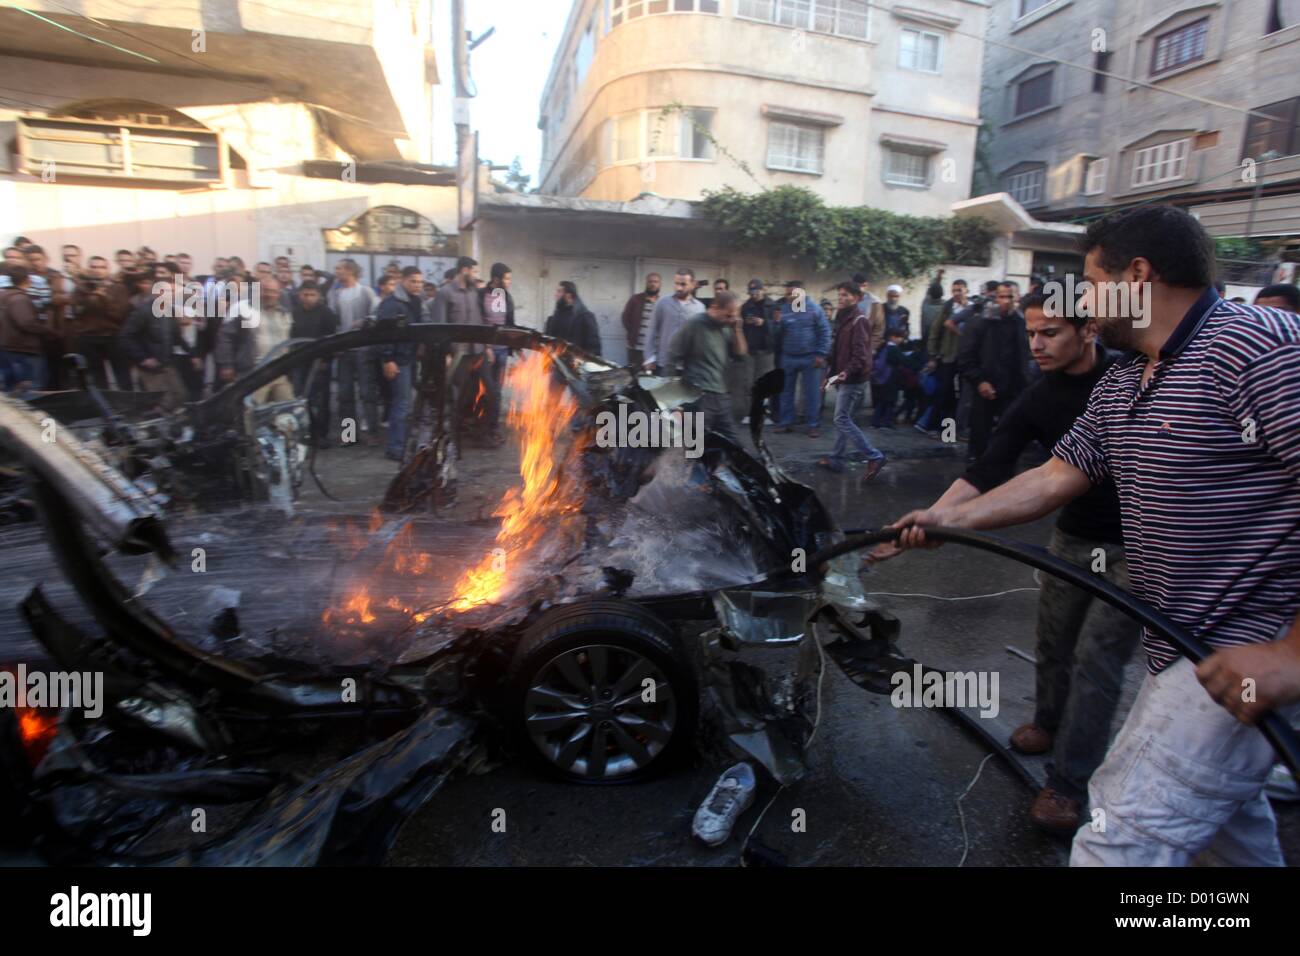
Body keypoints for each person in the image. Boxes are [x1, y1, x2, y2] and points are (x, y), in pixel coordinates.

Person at [890, 205, 1300, 866]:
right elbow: (1057, 475)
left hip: (1244, 647)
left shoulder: (1258, 347)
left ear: (1137, 274)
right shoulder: (1126, 379)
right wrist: (951, 520)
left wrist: (1291, 656)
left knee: (1120, 834)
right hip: (1190, 654)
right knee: (1230, 833)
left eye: (1090, 280)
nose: (1081, 299)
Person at [880, 291, 1139, 833]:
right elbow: (988, 467)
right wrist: (929, 517)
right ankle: (1047, 721)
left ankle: (1067, 785)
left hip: (1138, 548)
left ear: (1088, 330)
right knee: (1053, 640)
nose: (1036, 345)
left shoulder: (1131, 380)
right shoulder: (1037, 398)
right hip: (1074, 538)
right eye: (1030, 333)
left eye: (1050, 333)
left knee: (1098, 663)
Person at [819, 282, 886, 479]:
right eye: (839, 295)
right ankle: (837, 459)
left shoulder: (859, 321)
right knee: (844, 418)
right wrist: (829, 376)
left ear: (856, 298)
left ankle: (874, 456)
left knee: (841, 418)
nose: (841, 298)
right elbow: (838, 353)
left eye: (846, 295)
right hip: (844, 376)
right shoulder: (844, 320)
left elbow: (861, 356)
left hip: (853, 379)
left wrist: (846, 373)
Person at [666, 289, 746, 446]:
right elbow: (672, 357)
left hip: (721, 396)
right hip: (698, 397)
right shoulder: (694, 324)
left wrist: (737, 329)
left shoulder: (726, 327)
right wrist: (674, 403)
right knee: (693, 447)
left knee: (734, 446)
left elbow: (741, 354)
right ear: (715, 307)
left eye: (735, 315)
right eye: (728, 315)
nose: (731, 319)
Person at [958, 281, 1029, 459]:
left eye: (1010, 296)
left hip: (1013, 388)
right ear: (996, 298)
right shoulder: (981, 322)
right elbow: (966, 356)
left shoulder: (1022, 323)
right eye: (1002, 296)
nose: (1006, 301)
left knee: (1009, 435)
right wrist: (979, 381)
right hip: (985, 387)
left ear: (1017, 297)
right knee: (980, 435)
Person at [215, 274, 294, 404]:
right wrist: (226, 364)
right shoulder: (243, 308)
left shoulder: (284, 313)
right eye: (265, 290)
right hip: (254, 372)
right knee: (253, 412)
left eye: (273, 291)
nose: (269, 294)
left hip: (279, 371)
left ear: (278, 293)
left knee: (287, 409)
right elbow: (225, 337)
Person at [118, 264, 187, 410]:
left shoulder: (170, 311)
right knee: (162, 402)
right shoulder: (143, 312)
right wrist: (143, 358)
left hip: (166, 363)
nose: (171, 295)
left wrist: (193, 355)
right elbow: (126, 336)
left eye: (173, 291)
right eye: (167, 291)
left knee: (180, 395)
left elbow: (177, 337)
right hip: (150, 367)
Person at [375, 266, 426, 461]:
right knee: (401, 405)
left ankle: (402, 444)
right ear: (403, 281)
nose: (417, 285)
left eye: (420, 282)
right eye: (413, 281)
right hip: (398, 360)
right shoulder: (391, 304)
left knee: (406, 404)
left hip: (409, 358)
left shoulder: (415, 302)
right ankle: (396, 448)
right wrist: (388, 359)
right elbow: (384, 334)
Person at [330, 258, 381, 445]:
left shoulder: (365, 292)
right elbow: (332, 321)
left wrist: (365, 321)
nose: (336, 271)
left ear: (350, 271)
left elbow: (377, 313)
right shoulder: (335, 294)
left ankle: (372, 433)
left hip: (363, 350)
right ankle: (349, 435)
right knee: (345, 395)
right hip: (344, 352)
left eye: (339, 268)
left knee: (367, 393)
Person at [774, 281, 832, 437]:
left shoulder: (814, 309)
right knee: (785, 392)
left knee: (812, 393)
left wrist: (821, 354)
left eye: (791, 294)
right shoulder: (784, 309)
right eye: (787, 294)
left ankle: (813, 425)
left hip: (811, 357)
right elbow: (778, 334)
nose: (788, 297)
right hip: (788, 357)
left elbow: (825, 332)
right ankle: (786, 423)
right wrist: (777, 322)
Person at [69, 255, 133, 390]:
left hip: (112, 337)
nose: (97, 270)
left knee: (123, 376)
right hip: (89, 339)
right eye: (94, 267)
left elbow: (121, 315)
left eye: (101, 267)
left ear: (108, 269)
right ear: (88, 269)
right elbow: (76, 312)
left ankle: (129, 407)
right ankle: (105, 407)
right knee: (98, 379)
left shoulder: (118, 288)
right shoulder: (80, 289)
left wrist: (104, 298)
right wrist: (89, 295)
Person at [918, 278, 970, 435]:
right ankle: (936, 426)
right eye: (954, 290)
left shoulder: (972, 308)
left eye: (959, 290)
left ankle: (954, 429)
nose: (956, 293)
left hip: (966, 358)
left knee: (962, 395)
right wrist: (933, 355)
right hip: (948, 356)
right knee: (944, 392)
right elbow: (935, 331)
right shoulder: (947, 307)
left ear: (966, 290)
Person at [290, 281, 339, 446]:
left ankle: (322, 434)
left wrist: (326, 359)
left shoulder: (326, 313)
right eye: (305, 294)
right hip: (300, 361)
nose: (308, 298)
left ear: (318, 296)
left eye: (312, 295)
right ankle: (307, 432)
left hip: (320, 362)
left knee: (322, 400)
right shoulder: (294, 313)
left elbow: (332, 339)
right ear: (299, 295)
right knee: (302, 398)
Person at [0, 265, 59, 395]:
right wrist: (49, 331)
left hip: (8, 347)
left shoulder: (4, 296)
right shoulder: (19, 299)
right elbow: (26, 323)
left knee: (13, 387)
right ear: (28, 280)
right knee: (33, 388)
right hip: (24, 349)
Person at [479, 262, 516, 443]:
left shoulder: (507, 297)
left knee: (497, 392)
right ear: (495, 279)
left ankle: (491, 429)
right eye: (506, 278)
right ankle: (482, 429)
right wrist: (486, 348)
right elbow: (478, 324)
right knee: (487, 391)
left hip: (502, 352)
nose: (509, 282)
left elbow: (510, 325)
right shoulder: (481, 295)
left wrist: (516, 347)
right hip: (485, 352)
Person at [643, 268, 703, 373]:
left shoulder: (700, 308)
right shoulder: (662, 303)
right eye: (676, 283)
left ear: (692, 284)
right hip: (664, 363)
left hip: (688, 366)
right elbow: (652, 329)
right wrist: (649, 357)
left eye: (683, 284)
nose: (678, 288)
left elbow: (701, 339)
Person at [737, 278, 778, 423]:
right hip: (750, 350)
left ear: (763, 290)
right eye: (751, 291)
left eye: (756, 291)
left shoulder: (773, 306)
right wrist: (746, 323)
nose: (754, 294)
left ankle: (764, 415)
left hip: (766, 351)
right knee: (749, 383)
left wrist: (764, 323)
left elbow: (778, 327)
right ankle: (750, 414)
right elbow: (739, 327)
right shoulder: (745, 306)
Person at [545, 281, 601, 355]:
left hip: (578, 364)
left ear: (569, 295)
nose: (555, 295)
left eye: (559, 292)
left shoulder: (585, 317)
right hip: (556, 363)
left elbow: (594, 348)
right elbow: (547, 344)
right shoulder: (552, 319)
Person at [620, 273, 661, 367]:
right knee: (634, 374)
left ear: (659, 284)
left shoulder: (662, 302)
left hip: (653, 348)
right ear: (646, 283)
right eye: (650, 281)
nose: (653, 284)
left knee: (650, 377)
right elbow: (625, 317)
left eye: (656, 282)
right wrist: (632, 332)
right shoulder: (636, 299)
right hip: (635, 347)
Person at [870, 328, 907, 428]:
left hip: (883, 378)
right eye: (899, 337)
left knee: (883, 401)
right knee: (889, 401)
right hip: (890, 378)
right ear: (893, 337)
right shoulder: (894, 349)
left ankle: (878, 421)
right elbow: (904, 361)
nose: (901, 340)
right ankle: (885, 421)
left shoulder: (883, 347)